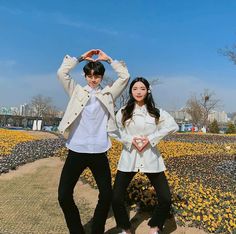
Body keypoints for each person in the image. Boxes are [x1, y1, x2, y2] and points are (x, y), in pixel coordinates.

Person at [57, 49, 130, 234]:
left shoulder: (107, 94)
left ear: (102, 76)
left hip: (99, 151)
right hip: (76, 150)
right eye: (89, 75)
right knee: (64, 195)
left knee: (106, 196)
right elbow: (62, 73)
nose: (93, 79)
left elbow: (125, 77)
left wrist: (109, 59)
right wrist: (81, 58)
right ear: (84, 75)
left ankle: (97, 230)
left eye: (97, 75)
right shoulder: (76, 91)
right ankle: (76, 231)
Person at [111, 77, 179, 234]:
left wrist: (151, 139)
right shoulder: (123, 112)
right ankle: (125, 228)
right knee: (116, 197)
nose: (138, 91)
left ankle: (155, 226)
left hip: (150, 158)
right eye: (135, 88)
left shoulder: (156, 112)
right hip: (129, 157)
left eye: (142, 88)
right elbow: (113, 130)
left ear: (148, 91)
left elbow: (172, 126)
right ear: (130, 92)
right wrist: (130, 140)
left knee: (165, 198)